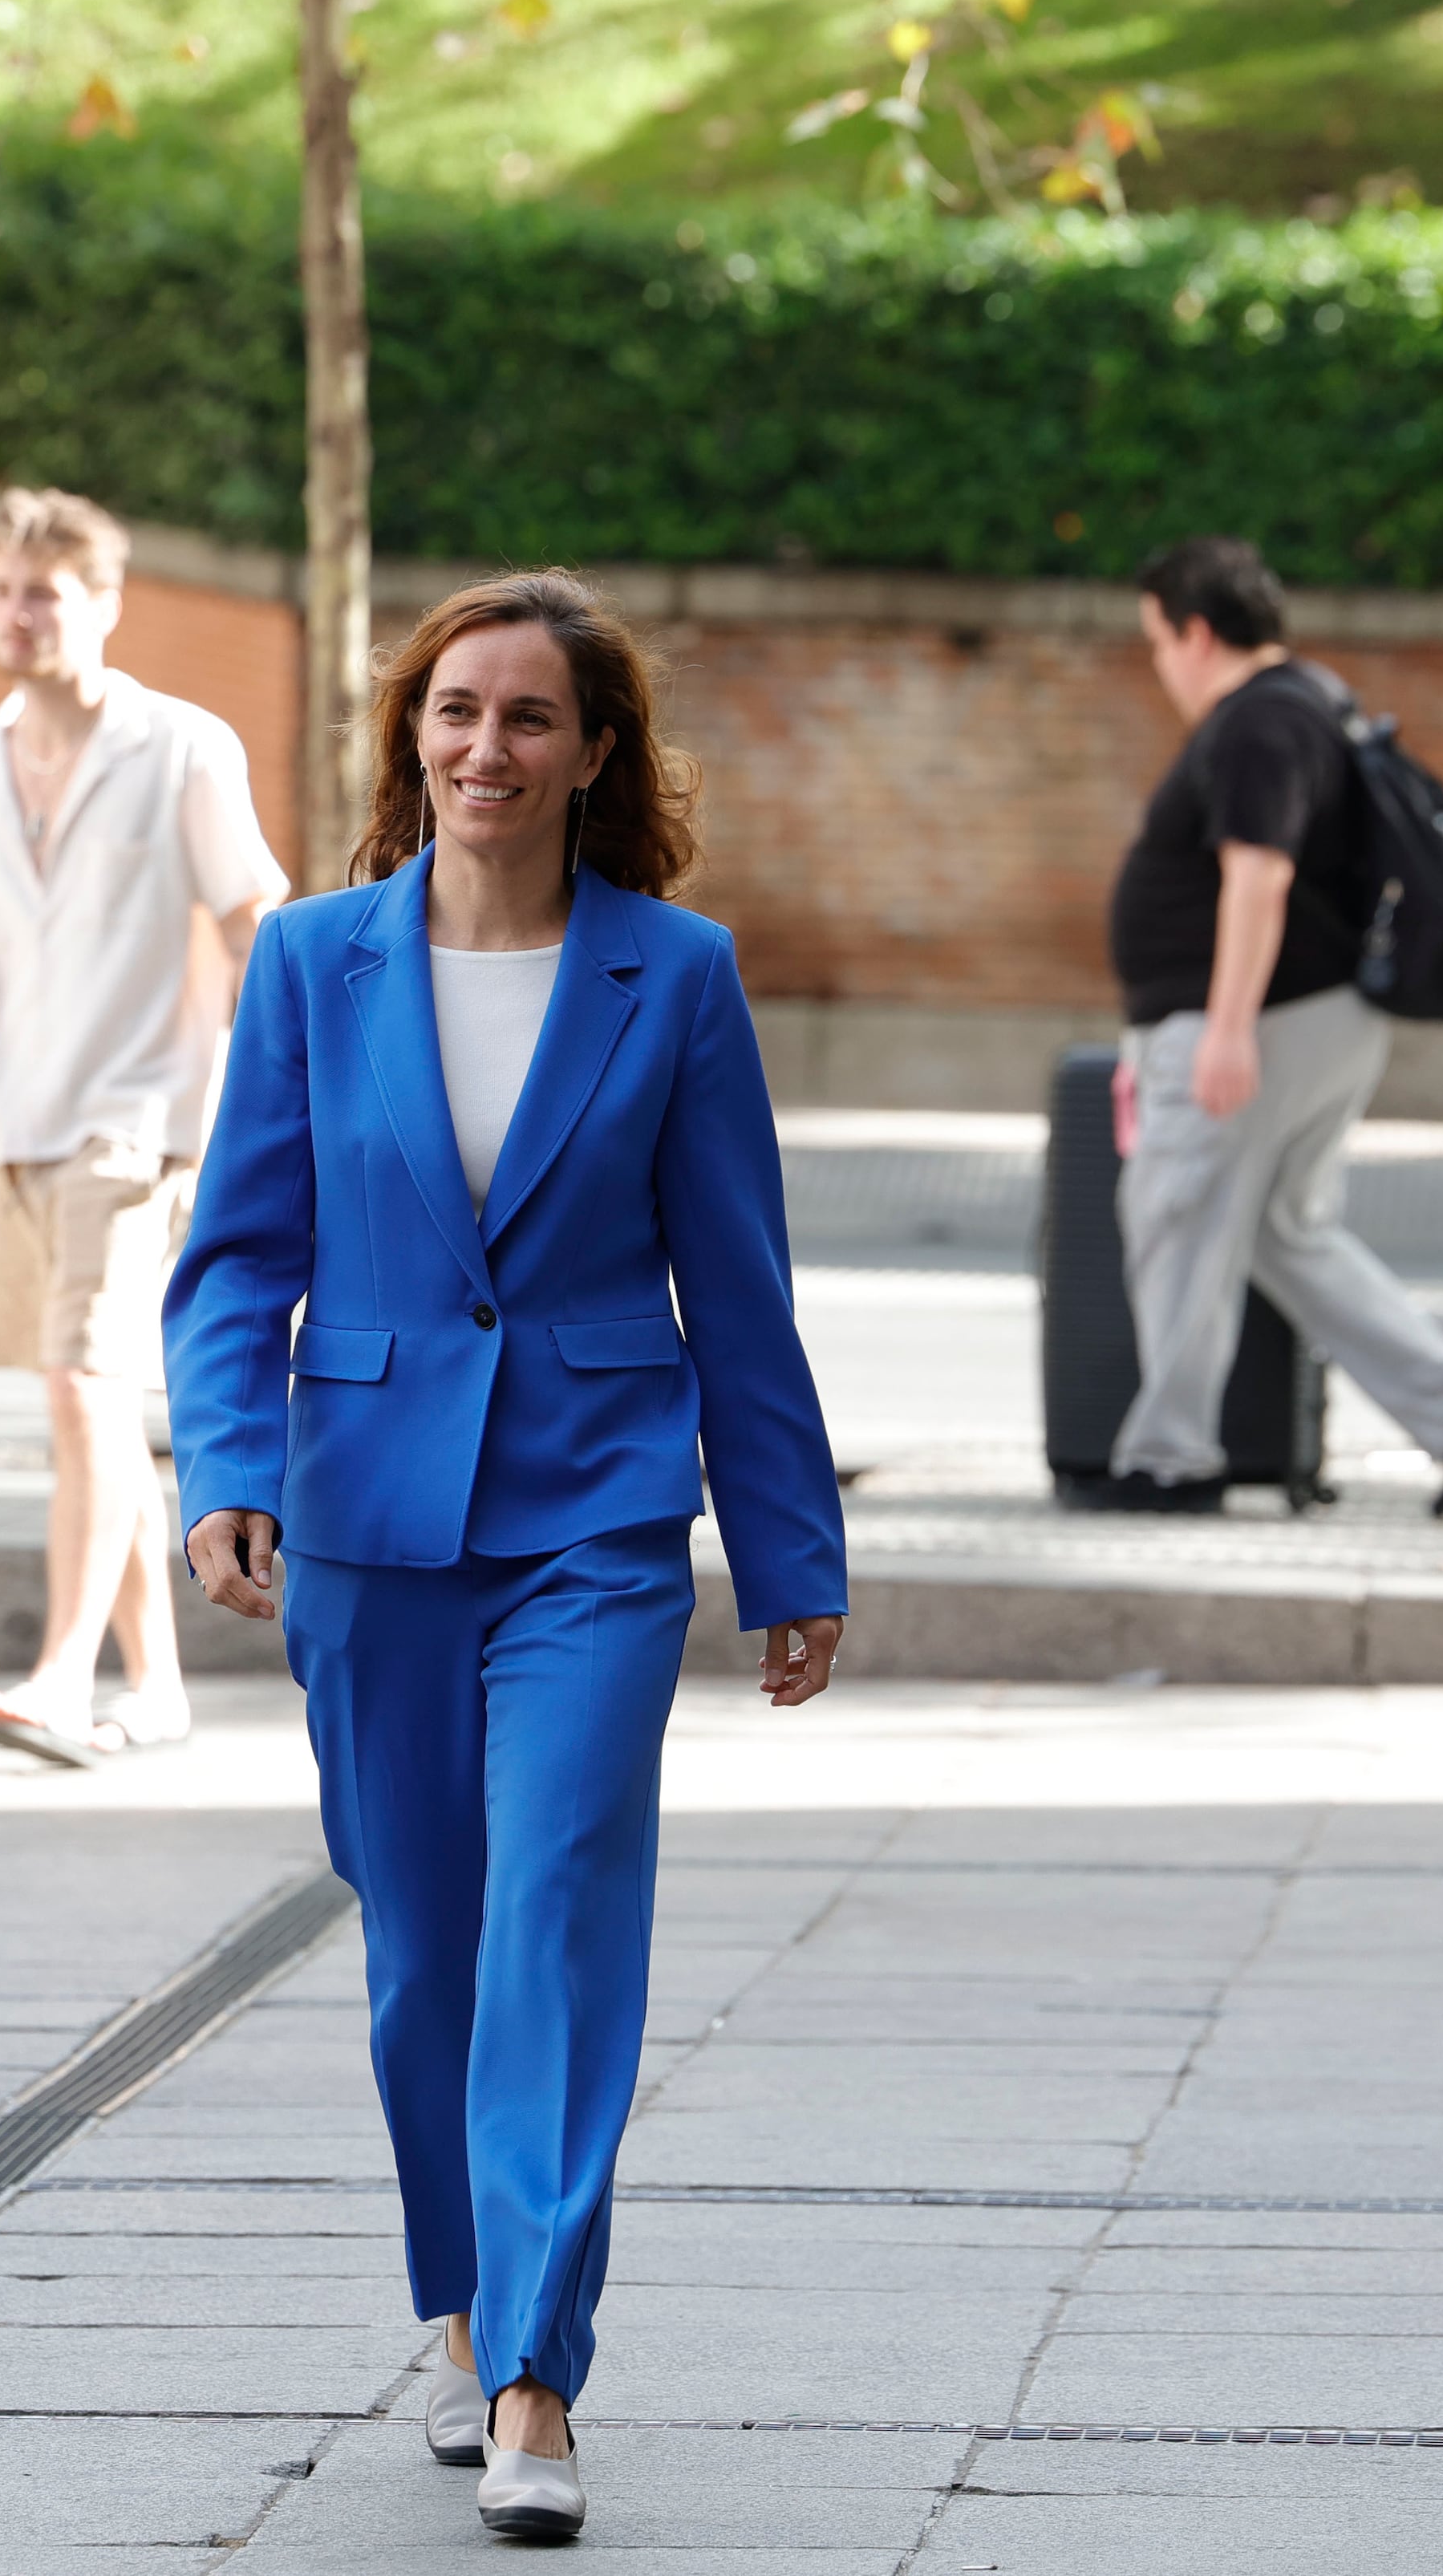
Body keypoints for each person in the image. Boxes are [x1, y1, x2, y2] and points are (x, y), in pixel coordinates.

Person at [165, 570, 848, 2545]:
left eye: (528, 717)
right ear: (413, 741)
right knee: (421, 1951)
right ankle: (463, 2308)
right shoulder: (311, 963)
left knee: (558, 1906)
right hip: (367, 1519)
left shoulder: (675, 974)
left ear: (593, 753)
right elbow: (237, 1260)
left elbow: (740, 1283)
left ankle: (538, 2369)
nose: (484, 747)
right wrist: (226, 1461)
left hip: (598, 1520)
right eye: (453, 712)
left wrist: (786, 1547)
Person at [0, 489, 286, 1767]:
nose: (19, 613)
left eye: (47, 592)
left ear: (105, 605)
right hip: (17, 1121)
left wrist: (297, 1085)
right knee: (92, 1408)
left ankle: (63, 1672)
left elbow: (254, 921)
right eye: (4, 588)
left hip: (142, 1116)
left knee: (86, 1385)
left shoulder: (184, 748)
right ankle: (159, 1687)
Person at [1096, 536, 1443, 1515]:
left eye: (1156, 642)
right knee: (1283, 1230)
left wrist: (1225, 1027)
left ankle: (1169, 1458)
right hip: (1308, 1018)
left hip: (1265, 1021)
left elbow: (1258, 873)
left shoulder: (1260, 724)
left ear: (1196, 633)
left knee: (1175, 1218)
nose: (1158, 666)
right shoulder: (1310, 705)